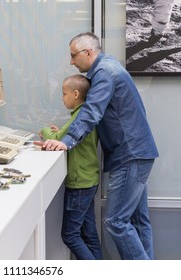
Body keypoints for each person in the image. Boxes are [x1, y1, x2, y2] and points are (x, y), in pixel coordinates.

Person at [42, 32, 159, 260]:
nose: (71, 62)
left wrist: (66, 142)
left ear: (88, 52)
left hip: (129, 155)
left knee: (116, 221)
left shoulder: (105, 72)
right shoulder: (110, 66)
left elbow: (91, 111)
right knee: (138, 220)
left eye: (73, 55)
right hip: (138, 152)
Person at [39, 74, 102, 260]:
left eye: (64, 93)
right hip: (89, 179)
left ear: (75, 94)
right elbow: (66, 135)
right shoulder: (85, 113)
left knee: (70, 235)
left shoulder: (80, 115)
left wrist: (45, 131)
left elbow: (58, 140)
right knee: (89, 234)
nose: (61, 97)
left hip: (79, 183)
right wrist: (58, 132)